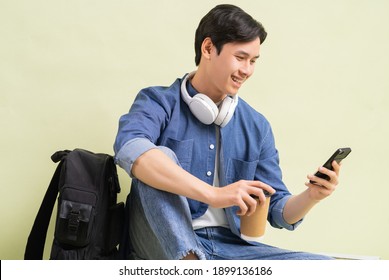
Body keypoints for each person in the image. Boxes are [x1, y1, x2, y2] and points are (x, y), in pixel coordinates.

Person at [114, 4, 341, 260]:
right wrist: (215, 194)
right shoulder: (156, 101)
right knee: (156, 156)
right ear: (208, 48)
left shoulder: (256, 125)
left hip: (230, 248)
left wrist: (313, 195)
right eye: (241, 57)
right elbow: (131, 150)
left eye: (253, 61)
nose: (247, 70)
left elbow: (278, 210)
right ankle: (191, 264)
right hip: (160, 241)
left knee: (327, 267)